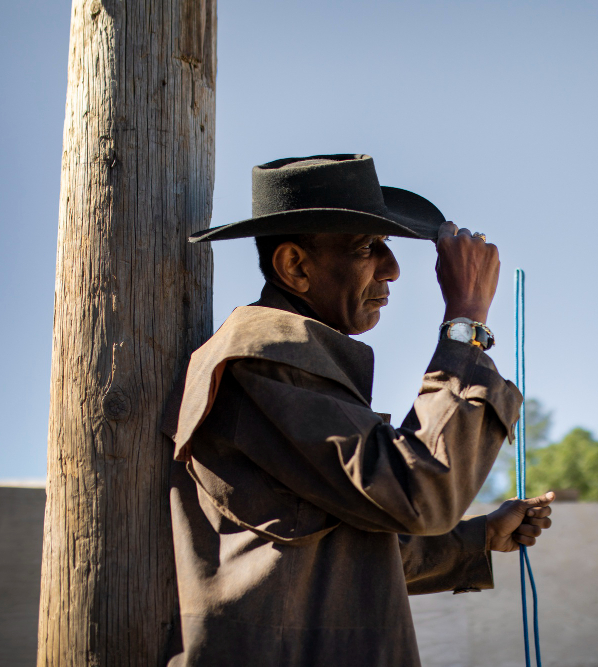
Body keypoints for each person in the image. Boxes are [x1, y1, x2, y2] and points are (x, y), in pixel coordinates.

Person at [163, 154, 555, 666]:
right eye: (368, 247)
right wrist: (466, 322)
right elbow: (422, 493)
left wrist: (479, 538)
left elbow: (347, 548)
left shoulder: (289, 358)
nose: (392, 267)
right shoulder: (265, 354)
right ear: (295, 266)